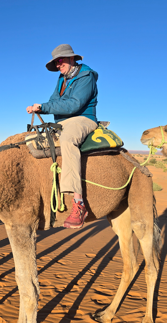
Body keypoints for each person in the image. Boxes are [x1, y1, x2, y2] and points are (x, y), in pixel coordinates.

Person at [26, 44, 98, 229]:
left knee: (67, 140)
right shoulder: (62, 79)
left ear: (72, 59)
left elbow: (74, 105)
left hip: (82, 119)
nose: (58, 65)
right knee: (31, 139)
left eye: (60, 61)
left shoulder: (86, 77)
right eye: (56, 62)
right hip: (62, 122)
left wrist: (43, 107)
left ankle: (79, 203)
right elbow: (53, 102)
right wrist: (41, 106)